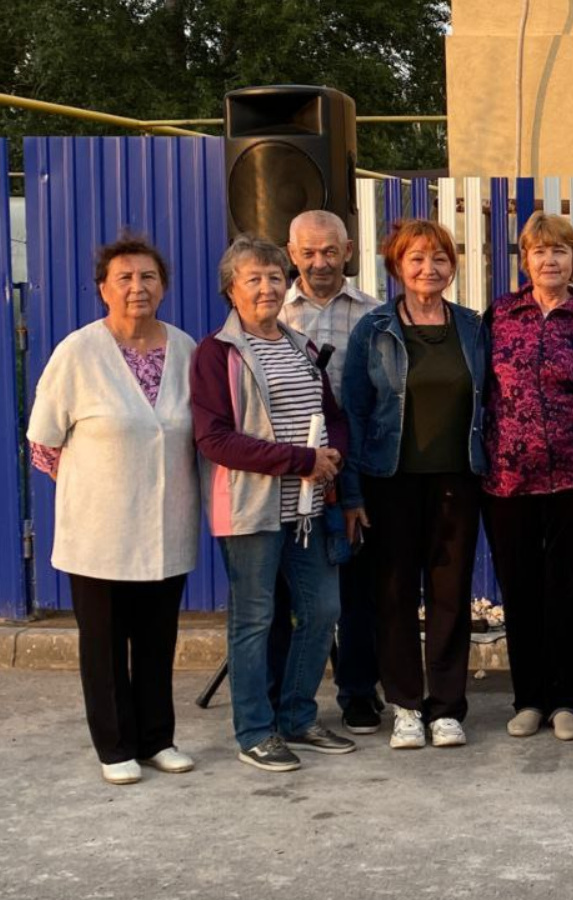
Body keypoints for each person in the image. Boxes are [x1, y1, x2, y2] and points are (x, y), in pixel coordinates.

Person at [27, 237, 200, 785]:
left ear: (163, 287)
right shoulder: (78, 352)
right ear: (103, 288)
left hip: (167, 523)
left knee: (157, 640)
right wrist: (97, 486)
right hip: (98, 529)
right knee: (103, 643)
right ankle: (114, 746)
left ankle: (157, 739)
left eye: (148, 277)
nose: (136, 287)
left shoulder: (185, 349)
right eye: (124, 277)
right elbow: (43, 442)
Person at [191, 235, 354, 771]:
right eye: (253, 278)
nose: (266, 287)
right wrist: (301, 460)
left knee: (322, 610)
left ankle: (298, 716)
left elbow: (332, 414)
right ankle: (255, 732)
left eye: (275, 277)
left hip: (307, 510)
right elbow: (215, 440)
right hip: (249, 511)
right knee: (254, 620)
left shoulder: (300, 345)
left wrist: (332, 454)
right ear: (231, 290)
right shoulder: (217, 353)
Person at [341, 219, 486, 750]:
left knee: (450, 596)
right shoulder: (374, 329)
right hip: (390, 481)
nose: (430, 268)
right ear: (397, 267)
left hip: (457, 482)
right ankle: (405, 705)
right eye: (417, 258)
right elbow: (354, 413)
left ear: (453, 267)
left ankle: (446, 708)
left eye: (440, 258)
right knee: (394, 595)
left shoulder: (471, 327)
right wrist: (352, 493)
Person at [482, 212, 573, 742]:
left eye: (559, 250)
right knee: (520, 591)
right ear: (525, 260)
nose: (549, 259)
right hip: (507, 479)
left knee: (566, 591)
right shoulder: (499, 315)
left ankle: (565, 701)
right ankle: (529, 699)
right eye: (539, 251)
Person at [280, 209, 385, 734]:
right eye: (308, 252)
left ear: (348, 251)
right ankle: (282, 696)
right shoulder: (270, 311)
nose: (319, 262)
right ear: (292, 253)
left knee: (360, 588)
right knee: (290, 591)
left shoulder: (375, 314)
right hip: (288, 469)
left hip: (357, 462)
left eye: (329, 251)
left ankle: (359, 691)